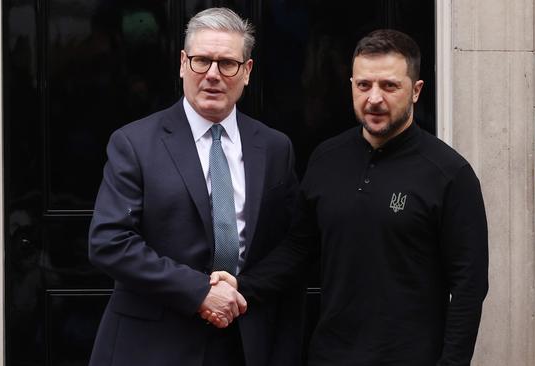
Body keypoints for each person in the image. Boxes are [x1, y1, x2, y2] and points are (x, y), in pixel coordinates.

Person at [208, 29, 489, 365]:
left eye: (389, 86)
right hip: (330, 354)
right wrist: (242, 286)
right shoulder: (327, 158)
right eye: (363, 85)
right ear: (352, 86)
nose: (374, 98)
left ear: (416, 91)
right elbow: (299, 248)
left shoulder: (450, 174)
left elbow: (469, 286)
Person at [88, 7, 303, 366]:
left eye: (227, 63)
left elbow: (291, 244)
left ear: (247, 72)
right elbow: (109, 242)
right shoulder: (135, 143)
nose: (213, 75)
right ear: (183, 64)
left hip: (245, 340)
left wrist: (242, 292)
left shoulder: (275, 148)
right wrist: (200, 291)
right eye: (202, 61)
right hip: (153, 345)